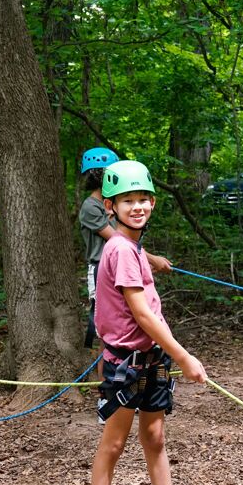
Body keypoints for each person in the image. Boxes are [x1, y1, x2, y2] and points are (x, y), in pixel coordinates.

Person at [89, 160, 208, 485]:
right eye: (127, 200)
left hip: (152, 359)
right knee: (114, 443)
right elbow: (141, 313)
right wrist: (185, 357)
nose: (137, 206)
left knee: (155, 438)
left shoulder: (134, 247)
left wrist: (170, 352)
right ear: (110, 207)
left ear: (153, 202)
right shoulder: (123, 250)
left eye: (143, 199)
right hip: (126, 365)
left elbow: (151, 315)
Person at [78, 148, 173, 424]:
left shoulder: (120, 215)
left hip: (124, 266)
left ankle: (130, 387)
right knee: (108, 333)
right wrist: (153, 259)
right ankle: (106, 395)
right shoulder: (92, 207)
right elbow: (113, 237)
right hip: (102, 270)